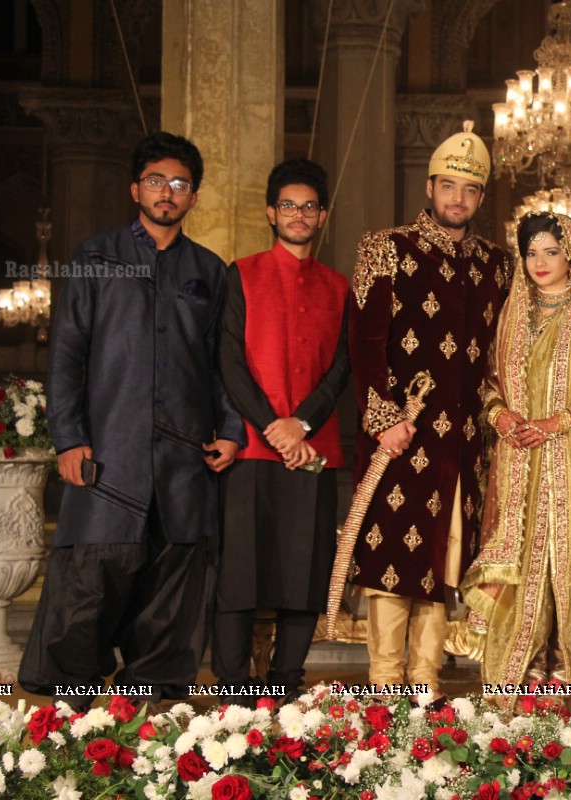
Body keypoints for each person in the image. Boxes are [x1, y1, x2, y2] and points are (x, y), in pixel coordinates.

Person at [19, 131, 244, 708]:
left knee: (170, 595)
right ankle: (73, 727)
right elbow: (67, 354)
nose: (166, 193)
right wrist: (69, 438)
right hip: (108, 458)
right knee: (90, 588)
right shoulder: (97, 258)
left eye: (179, 184)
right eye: (155, 181)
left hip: (183, 461)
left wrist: (230, 429)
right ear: (134, 190)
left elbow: (223, 364)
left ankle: (150, 723)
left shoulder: (209, 271)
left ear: (193, 197)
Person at [346, 122, 508, 693]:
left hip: (462, 443)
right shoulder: (384, 248)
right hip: (402, 436)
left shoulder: (497, 264)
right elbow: (365, 345)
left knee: (445, 559)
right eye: (448, 186)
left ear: (481, 198)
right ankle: (386, 685)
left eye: (469, 190)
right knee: (395, 557)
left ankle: (426, 684)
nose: (458, 199)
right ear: (429, 187)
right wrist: (385, 421)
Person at [461, 212, 571, 710]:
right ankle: (523, 670)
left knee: (570, 551)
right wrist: (499, 418)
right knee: (522, 556)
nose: (541, 262)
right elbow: (490, 388)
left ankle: (569, 665)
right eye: (531, 253)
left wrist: (557, 422)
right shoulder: (512, 315)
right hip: (518, 454)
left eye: (551, 252)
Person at [213, 158, 350, 701]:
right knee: (238, 576)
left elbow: (340, 367)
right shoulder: (241, 273)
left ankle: (286, 689)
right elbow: (229, 361)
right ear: (271, 212)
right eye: (288, 205)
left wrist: (302, 424)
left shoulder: (338, 286)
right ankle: (231, 693)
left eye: (309, 206)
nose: (298, 214)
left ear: (321, 216)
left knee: (304, 574)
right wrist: (274, 427)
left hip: (314, 450)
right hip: (251, 448)